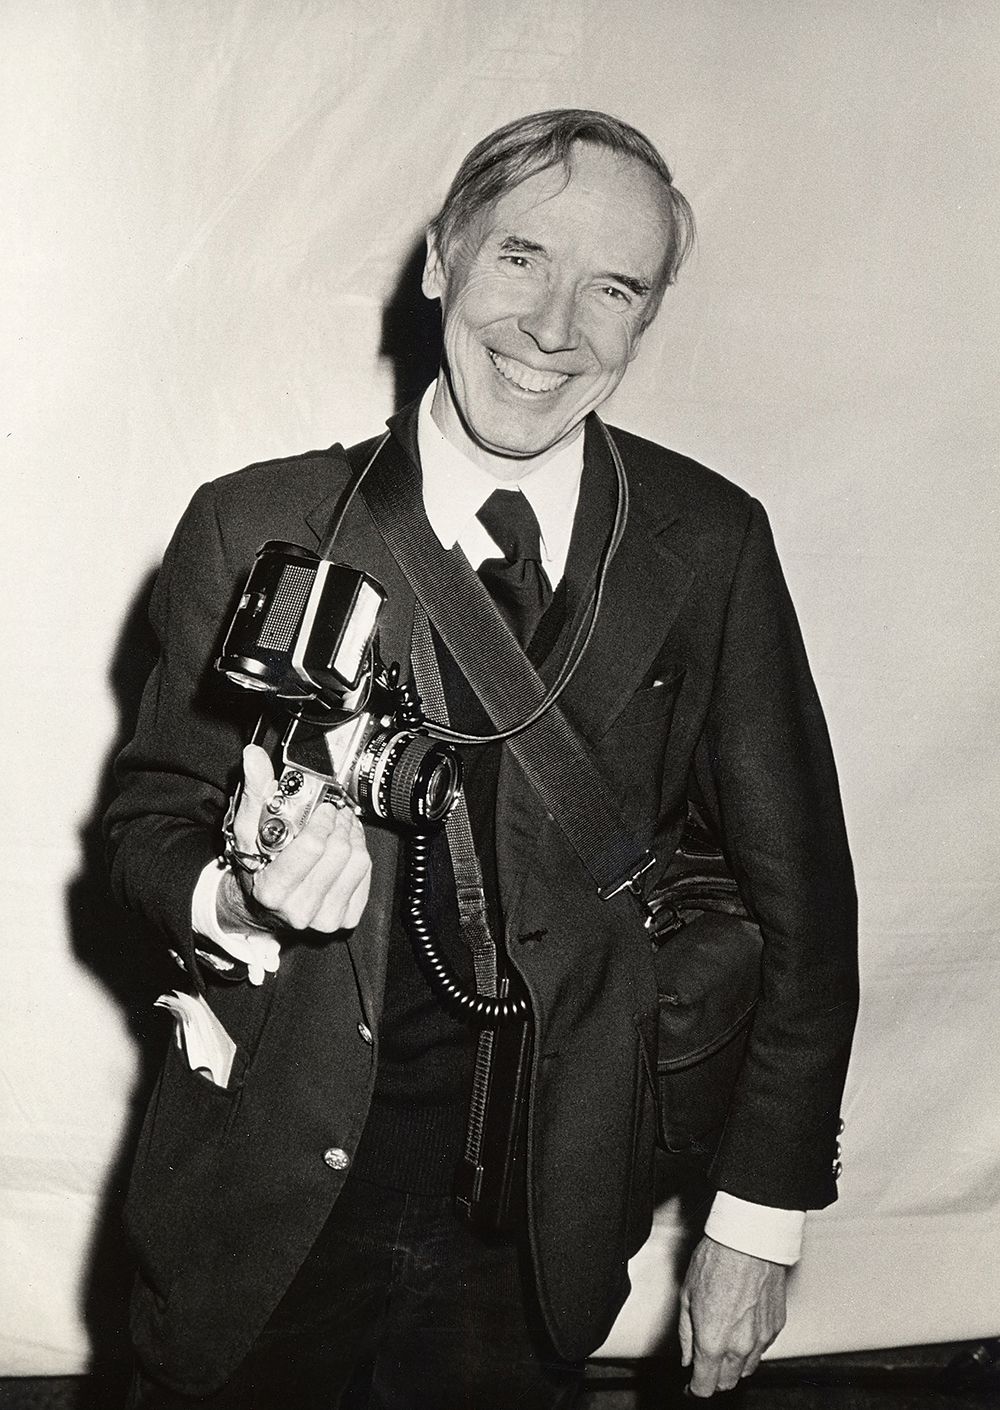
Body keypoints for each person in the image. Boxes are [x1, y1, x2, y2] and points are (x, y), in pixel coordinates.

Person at [105, 109, 858, 1408]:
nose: (553, 327)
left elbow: (804, 904)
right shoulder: (259, 521)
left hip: (540, 1229)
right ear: (440, 260)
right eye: (521, 257)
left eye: (613, 288)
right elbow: (144, 829)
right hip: (265, 1201)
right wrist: (240, 898)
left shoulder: (708, 543)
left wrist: (760, 1212)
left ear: (646, 318)